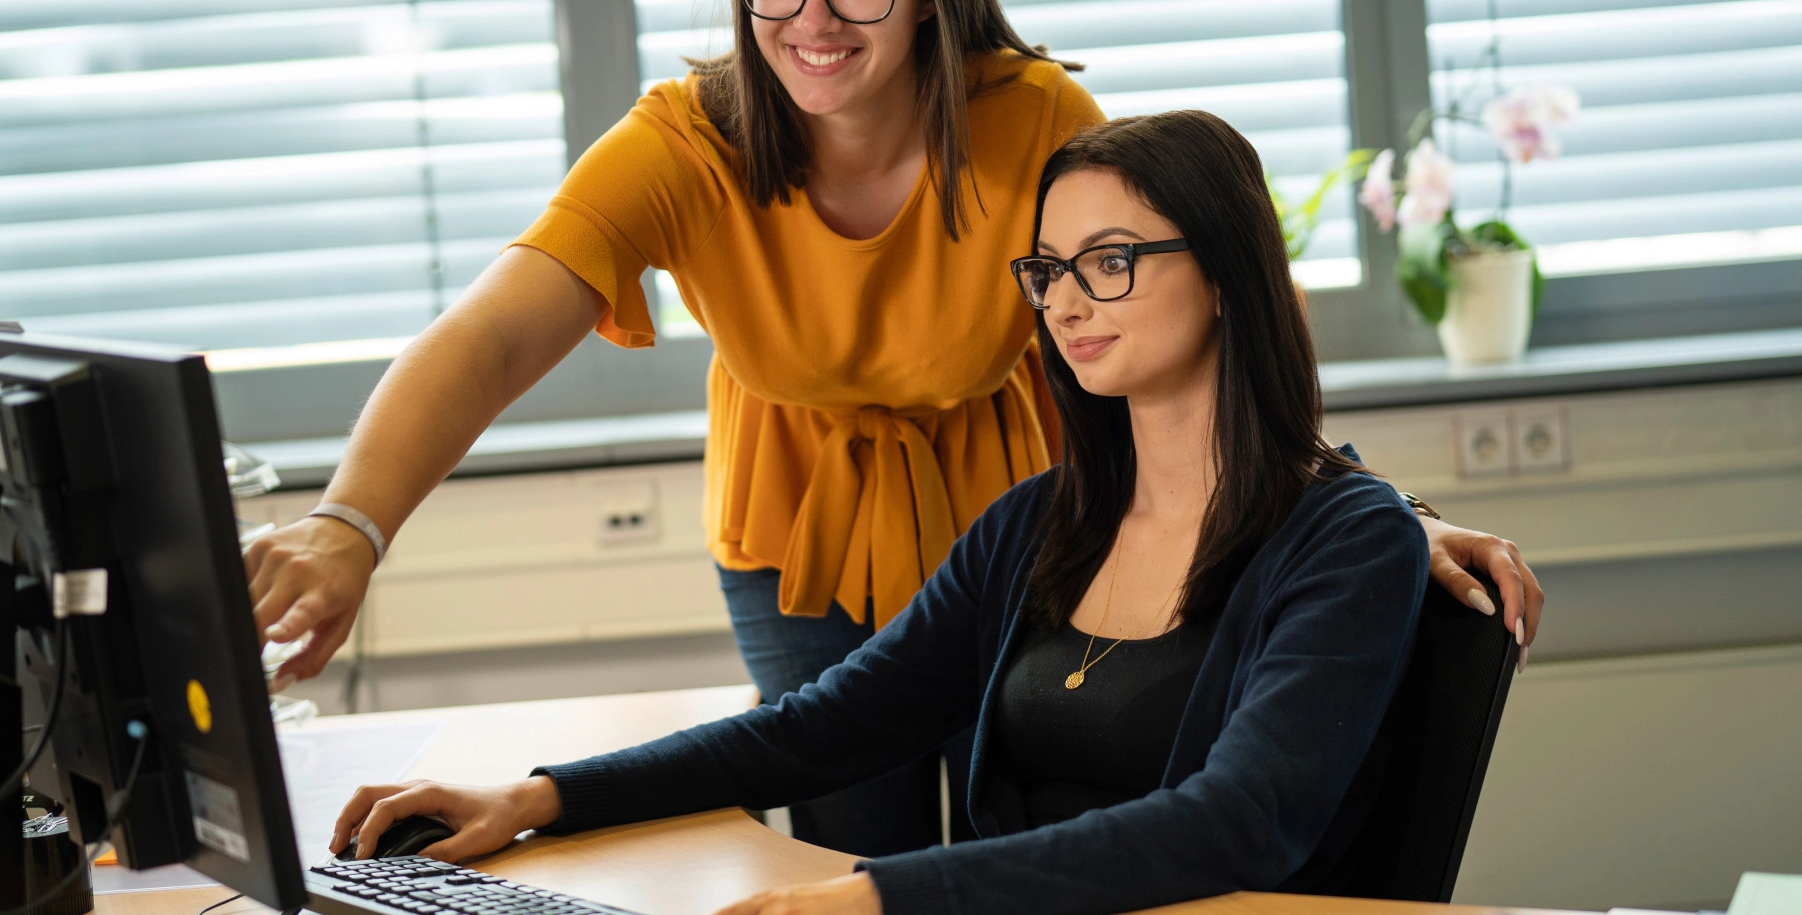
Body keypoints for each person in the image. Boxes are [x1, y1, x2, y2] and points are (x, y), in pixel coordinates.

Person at [246, 0, 1542, 859]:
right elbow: (488, 336)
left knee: (1041, 806)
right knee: (844, 805)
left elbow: (1209, 302)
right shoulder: (682, 141)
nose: (815, 16)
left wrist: (1342, 513)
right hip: (805, 524)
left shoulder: (1030, 118)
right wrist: (349, 527)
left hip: (1023, 506)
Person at [333, 111, 1443, 915]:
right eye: (1049, 267)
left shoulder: (1347, 541)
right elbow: (822, 727)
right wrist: (539, 798)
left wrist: (879, 896)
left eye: (1110, 262)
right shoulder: (1039, 525)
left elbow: (1239, 821)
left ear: (1227, 274)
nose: (1063, 301)